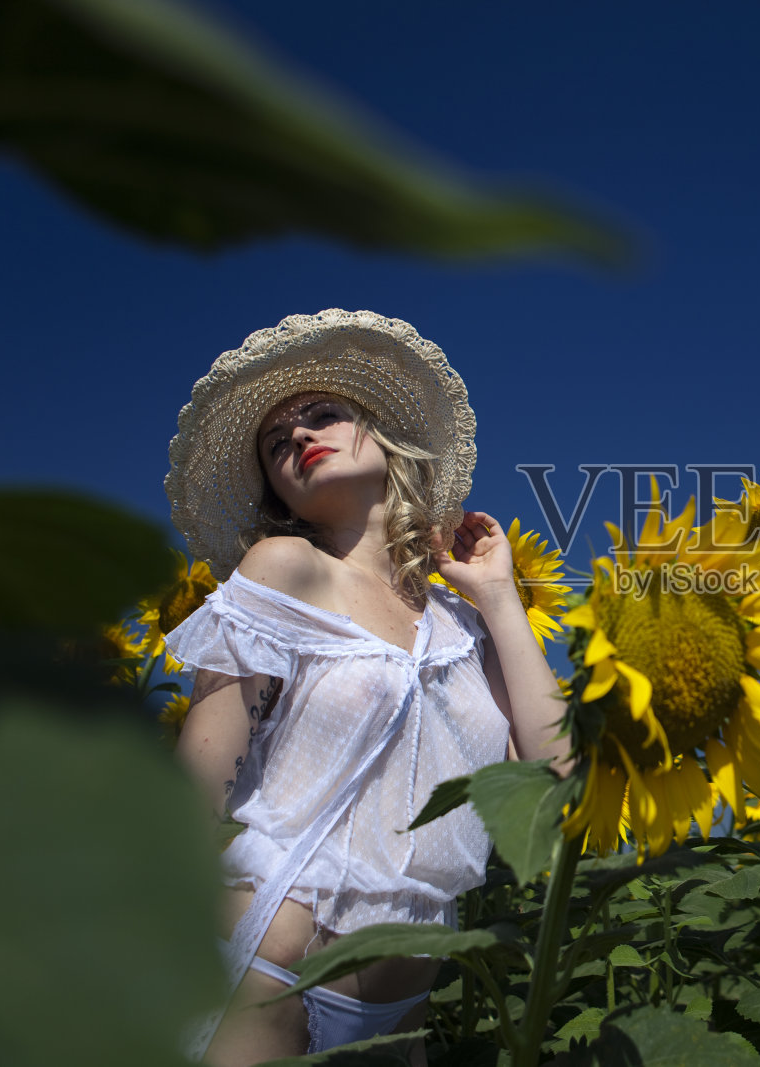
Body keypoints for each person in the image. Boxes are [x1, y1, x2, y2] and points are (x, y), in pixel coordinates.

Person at [161, 309, 569, 1065]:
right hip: (267, 967)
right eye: (277, 445)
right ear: (279, 495)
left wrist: (500, 596)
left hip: (404, 1011)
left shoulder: (462, 626)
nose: (298, 438)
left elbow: (556, 771)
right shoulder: (286, 568)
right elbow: (196, 784)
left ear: (384, 438)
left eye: (323, 415)